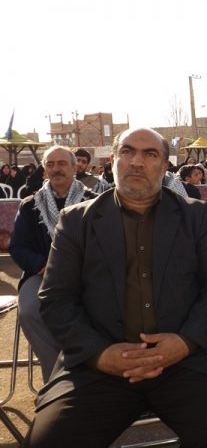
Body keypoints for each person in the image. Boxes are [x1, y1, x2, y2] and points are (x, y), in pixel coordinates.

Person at [23, 128, 207, 448]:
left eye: (150, 154)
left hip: (187, 362)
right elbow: (56, 299)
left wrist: (184, 342)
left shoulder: (195, 215)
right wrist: (100, 355)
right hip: (99, 366)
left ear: (165, 166)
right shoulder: (75, 221)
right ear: (113, 161)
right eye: (127, 152)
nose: (137, 162)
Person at [8, 147, 96, 381]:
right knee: (30, 310)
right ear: (45, 170)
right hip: (41, 274)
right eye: (50, 164)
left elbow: (105, 244)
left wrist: (76, 265)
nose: (56, 169)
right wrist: (43, 264)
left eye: (62, 163)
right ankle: (58, 377)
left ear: (75, 167)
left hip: (85, 274)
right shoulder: (30, 205)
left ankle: (93, 373)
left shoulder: (93, 202)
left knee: (104, 306)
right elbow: (18, 247)